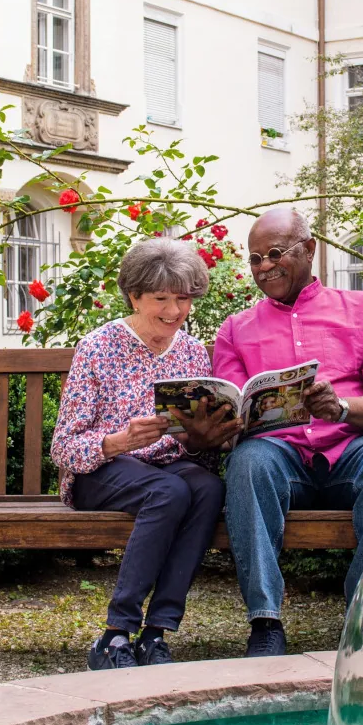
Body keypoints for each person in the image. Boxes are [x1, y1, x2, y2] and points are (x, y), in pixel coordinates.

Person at [207, 207, 363, 658]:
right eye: (254, 259)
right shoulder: (236, 329)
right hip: (279, 459)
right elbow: (230, 408)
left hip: (352, 452)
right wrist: (222, 426)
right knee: (247, 460)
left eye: (273, 253)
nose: (263, 267)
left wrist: (341, 407)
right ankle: (265, 623)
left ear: (308, 249)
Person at [49, 237, 228, 670]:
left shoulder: (188, 350)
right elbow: (64, 447)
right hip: (101, 471)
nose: (173, 311)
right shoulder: (98, 347)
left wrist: (207, 433)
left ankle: (156, 632)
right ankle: (115, 633)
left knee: (206, 489)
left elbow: (191, 443)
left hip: (167, 467)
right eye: (160, 299)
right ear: (134, 296)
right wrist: (117, 442)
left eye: (183, 299)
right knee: (168, 492)